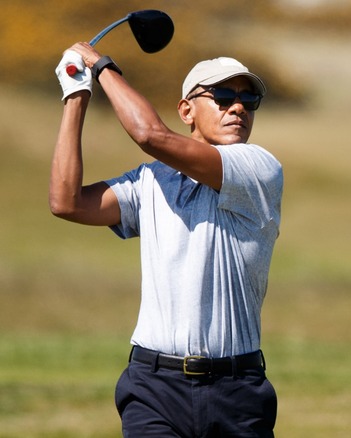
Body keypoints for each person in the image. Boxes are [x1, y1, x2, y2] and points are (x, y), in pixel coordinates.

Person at [51, 43, 282, 437]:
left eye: (249, 100)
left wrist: (102, 66)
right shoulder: (150, 181)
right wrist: (76, 95)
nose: (238, 108)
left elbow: (149, 134)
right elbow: (67, 202)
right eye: (223, 96)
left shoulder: (259, 168)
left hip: (237, 391)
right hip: (153, 387)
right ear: (186, 111)